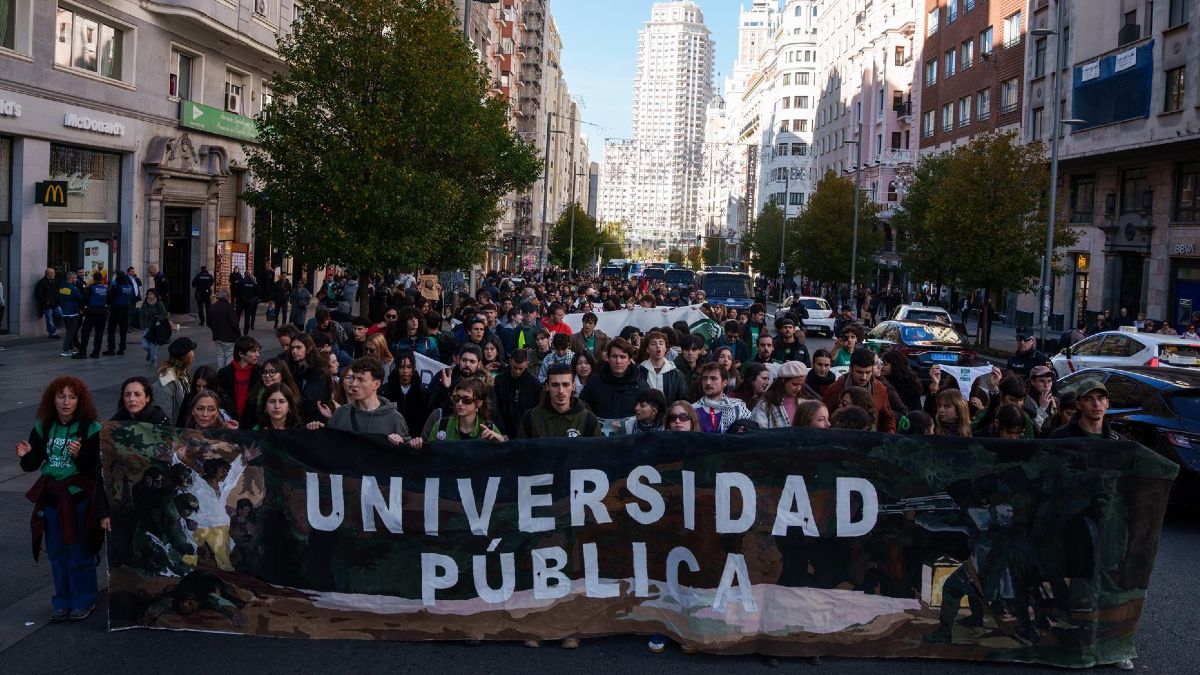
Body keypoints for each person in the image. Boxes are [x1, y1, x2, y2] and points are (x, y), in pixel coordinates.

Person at [16, 376, 102, 622]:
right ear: (52, 399)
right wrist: (26, 455)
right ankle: (62, 600)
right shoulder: (44, 426)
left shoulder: (90, 428)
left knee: (79, 551)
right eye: (61, 396)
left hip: (78, 498)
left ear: (80, 401)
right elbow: (32, 464)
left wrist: (79, 455)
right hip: (52, 497)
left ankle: (84, 599)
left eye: (72, 397)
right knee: (56, 552)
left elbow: (94, 468)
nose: (66, 402)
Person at [318, 357, 422, 446]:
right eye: (353, 378)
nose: (353, 383)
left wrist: (402, 443)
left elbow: (407, 455)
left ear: (376, 384)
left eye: (361, 380)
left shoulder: (394, 418)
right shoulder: (341, 413)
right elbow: (328, 446)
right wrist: (317, 431)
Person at [821, 348, 898, 433]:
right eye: (859, 372)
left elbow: (889, 418)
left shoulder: (880, 388)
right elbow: (823, 418)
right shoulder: (834, 389)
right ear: (850, 369)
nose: (864, 377)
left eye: (868, 372)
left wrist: (890, 435)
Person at [517, 365, 602, 442]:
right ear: (547, 387)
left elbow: (595, 455)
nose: (560, 391)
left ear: (573, 387)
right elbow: (522, 454)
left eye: (565, 385)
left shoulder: (589, 420)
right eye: (555, 385)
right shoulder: (531, 418)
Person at [580, 338, 647, 419]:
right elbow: (582, 406)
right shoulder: (594, 382)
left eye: (622, 357)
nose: (618, 361)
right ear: (608, 358)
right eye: (614, 356)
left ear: (629, 360)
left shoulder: (640, 385)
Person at [426, 377, 506, 442]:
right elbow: (429, 455)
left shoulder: (490, 429)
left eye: (467, 400)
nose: (460, 403)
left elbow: (503, 459)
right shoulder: (441, 426)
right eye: (456, 398)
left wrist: (501, 443)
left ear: (479, 403)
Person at [491, 349, 541, 438]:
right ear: (510, 362)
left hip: (526, 432)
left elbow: (536, 410)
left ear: (527, 364)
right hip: (503, 431)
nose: (517, 371)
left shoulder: (534, 383)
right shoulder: (499, 381)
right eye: (515, 368)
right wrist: (502, 431)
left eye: (520, 369)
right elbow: (495, 408)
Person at [1047, 379, 1122, 440]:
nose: (1096, 404)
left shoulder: (1117, 441)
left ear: (1107, 403)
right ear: (1078, 405)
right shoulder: (1060, 437)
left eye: (1100, 398)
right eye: (1088, 399)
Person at [692, 363, 753, 433]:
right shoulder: (692, 409)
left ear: (724, 383)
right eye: (704, 378)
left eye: (713, 378)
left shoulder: (738, 407)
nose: (708, 382)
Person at [288, 334, 335, 423]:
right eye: (292, 348)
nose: (294, 351)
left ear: (309, 349)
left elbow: (310, 401)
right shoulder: (294, 368)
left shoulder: (319, 371)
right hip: (299, 417)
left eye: (298, 348)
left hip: (315, 420)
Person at [216, 336, 262, 425]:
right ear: (241, 354)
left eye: (258, 351)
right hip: (230, 421)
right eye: (253, 351)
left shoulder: (260, 372)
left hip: (252, 422)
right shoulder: (224, 373)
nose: (258, 355)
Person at [752, 361, 808, 429]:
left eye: (801, 385)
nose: (798, 388)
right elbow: (759, 430)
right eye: (795, 384)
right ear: (783, 380)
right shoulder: (765, 405)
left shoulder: (804, 403)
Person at [384, 351, 428, 434]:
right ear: (397, 368)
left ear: (413, 368)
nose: (405, 371)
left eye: (409, 367)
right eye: (401, 367)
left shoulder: (422, 392)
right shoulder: (386, 390)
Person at [639, 330, 689, 403]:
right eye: (653, 344)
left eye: (661, 343)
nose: (658, 346)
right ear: (647, 349)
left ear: (665, 348)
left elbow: (683, 399)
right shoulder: (640, 371)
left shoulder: (675, 373)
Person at [74, 272, 109, 359]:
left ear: (94, 278)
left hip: (92, 312)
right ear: (101, 279)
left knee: (85, 332)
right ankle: (96, 352)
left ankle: (83, 352)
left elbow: (85, 299)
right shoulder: (106, 289)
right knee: (99, 333)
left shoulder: (90, 288)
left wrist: (81, 309)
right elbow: (108, 301)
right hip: (102, 312)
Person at [104, 270, 136, 355]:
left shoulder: (117, 286)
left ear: (118, 276)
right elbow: (132, 296)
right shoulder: (129, 286)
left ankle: (111, 348)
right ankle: (122, 348)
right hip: (126, 310)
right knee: (123, 331)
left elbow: (110, 297)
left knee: (111, 330)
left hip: (116, 309)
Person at [208, 289, 241, 369]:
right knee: (229, 355)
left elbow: (208, 322)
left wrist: (214, 329)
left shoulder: (212, 307)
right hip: (229, 337)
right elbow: (235, 323)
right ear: (226, 297)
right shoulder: (229, 307)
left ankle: (221, 373)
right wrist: (238, 334)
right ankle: (227, 374)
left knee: (220, 355)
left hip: (217, 336)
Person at [56, 271, 83, 358]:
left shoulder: (62, 286)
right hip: (72, 313)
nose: (76, 280)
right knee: (71, 332)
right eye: (75, 278)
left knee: (69, 331)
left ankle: (70, 348)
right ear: (71, 279)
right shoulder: (72, 288)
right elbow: (80, 298)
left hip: (64, 312)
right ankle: (65, 350)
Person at [1025, 365, 1058, 435]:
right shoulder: (1026, 401)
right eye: (1042, 381)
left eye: (1049, 381)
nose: (1046, 385)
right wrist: (1042, 408)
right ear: (1033, 382)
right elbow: (1031, 429)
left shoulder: (1055, 401)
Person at [35, 267, 60, 339]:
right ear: (48, 274)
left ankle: (53, 330)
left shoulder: (52, 282)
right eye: (53, 273)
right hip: (47, 305)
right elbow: (38, 294)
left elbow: (55, 292)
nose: (54, 274)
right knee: (49, 319)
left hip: (55, 304)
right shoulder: (42, 282)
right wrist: (46, 301)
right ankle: (52, 333)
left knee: (60, 314)